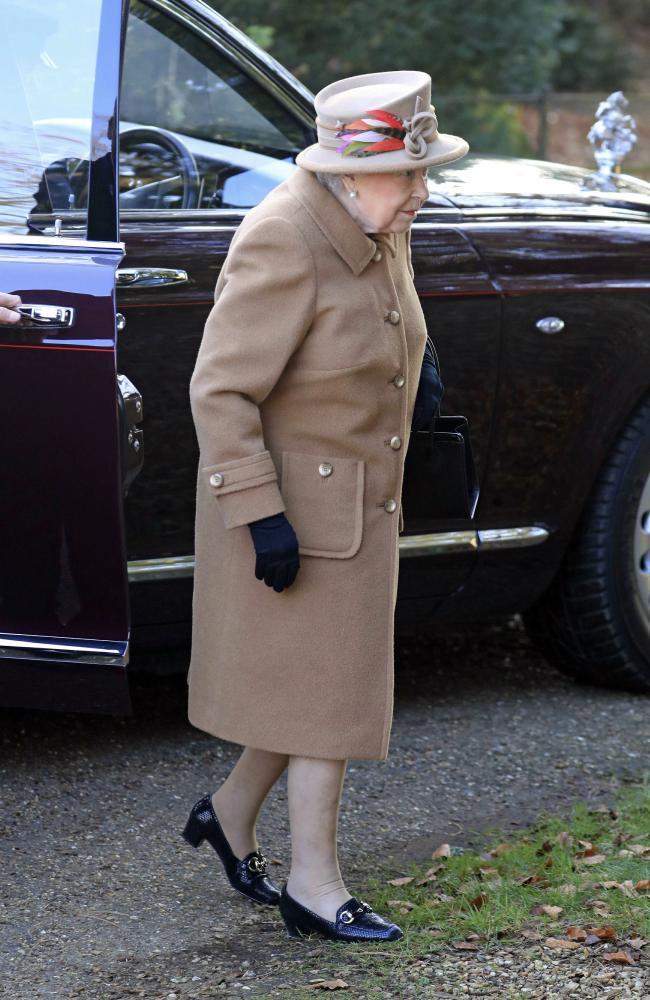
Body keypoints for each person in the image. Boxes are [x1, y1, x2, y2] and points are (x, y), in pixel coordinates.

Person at [184, 70, 468, 943]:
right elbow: (220, 391)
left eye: (426, 171)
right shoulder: (284, 237)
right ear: (349, 173)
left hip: (358, 502)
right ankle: (316, 884)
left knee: (315, 688)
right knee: (328, 699)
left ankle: (226, 817)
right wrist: (259, 514)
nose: (424, 191)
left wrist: (424, 393)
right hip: (294, 514)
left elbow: (388, 326)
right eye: (409, 173)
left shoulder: (378, 218)